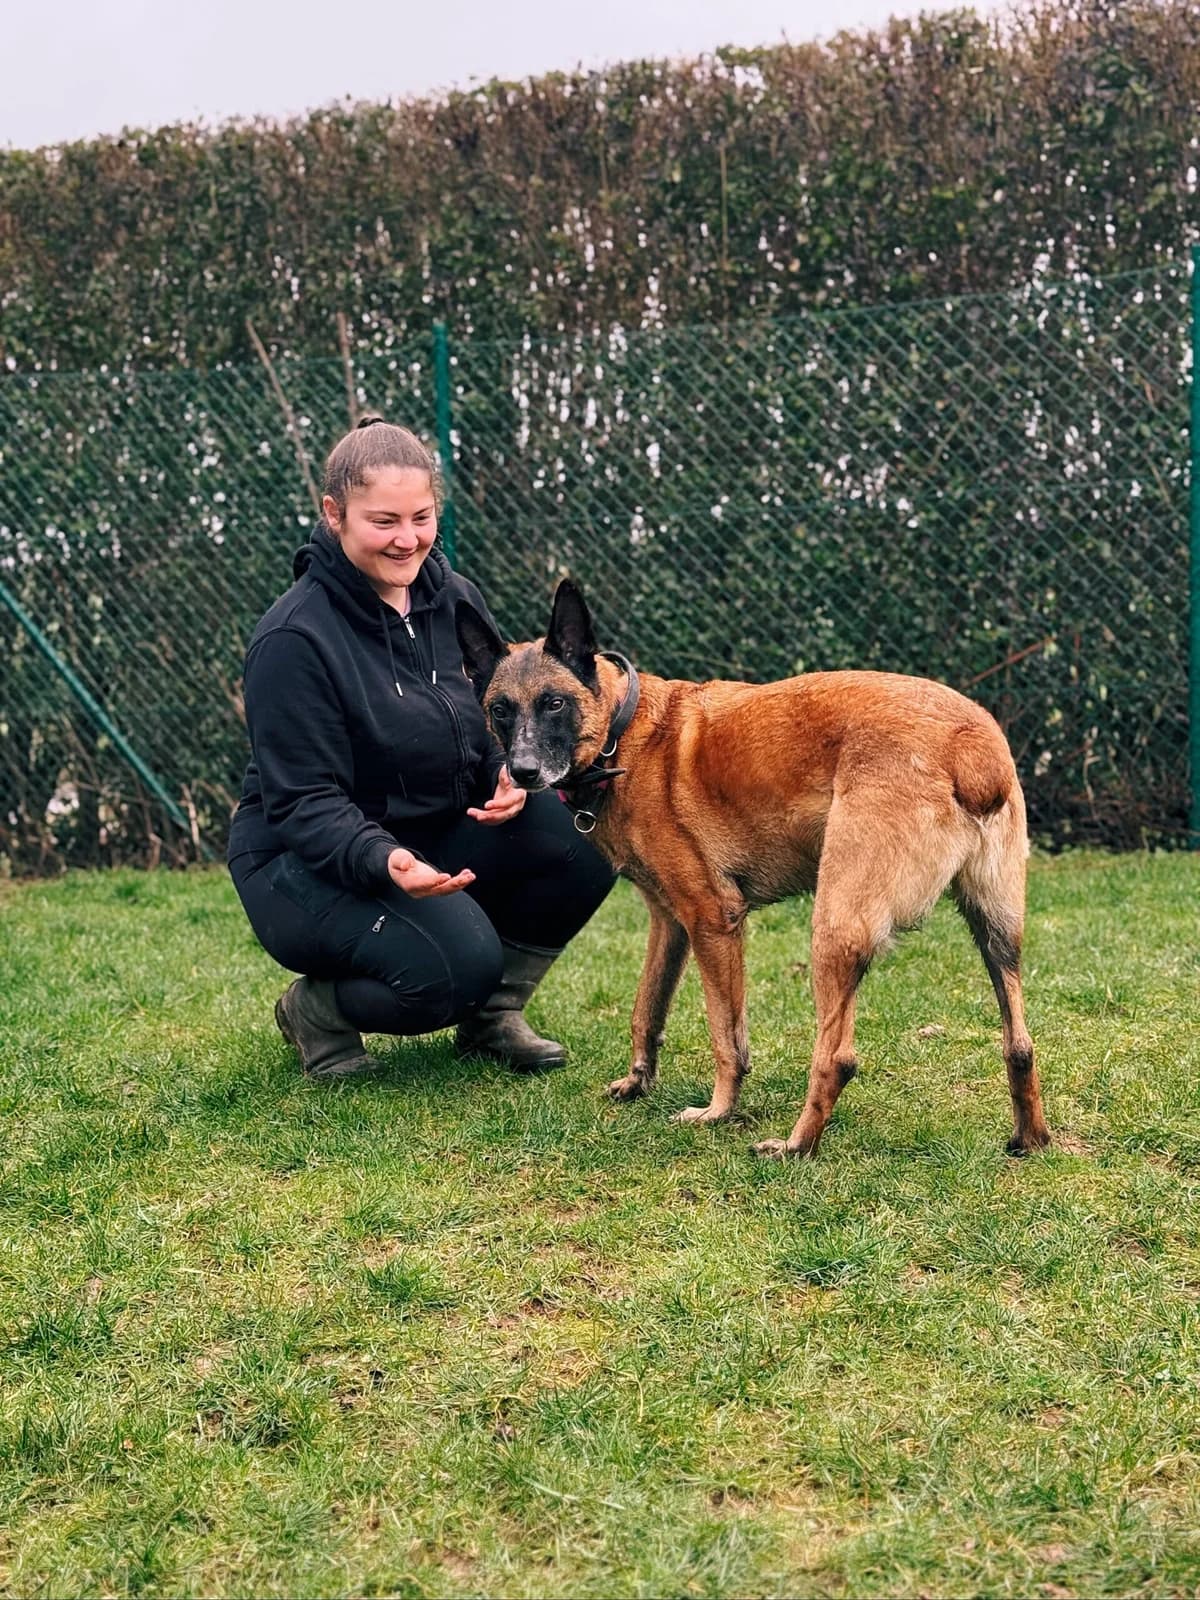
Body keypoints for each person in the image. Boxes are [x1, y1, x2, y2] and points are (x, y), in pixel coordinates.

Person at [226, 416, 615, 1078]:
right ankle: (316, 1010)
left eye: (421, 517)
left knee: (590, 837)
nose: (408, 540)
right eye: (383, 522)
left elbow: (495, 706)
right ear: (334, 513)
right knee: (456, 967)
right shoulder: (292, 641)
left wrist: (501, 772)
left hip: (426, 830)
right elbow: (303, 803)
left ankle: (492, 1018)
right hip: (302, 864)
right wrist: (387, 860)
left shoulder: (454, 597)